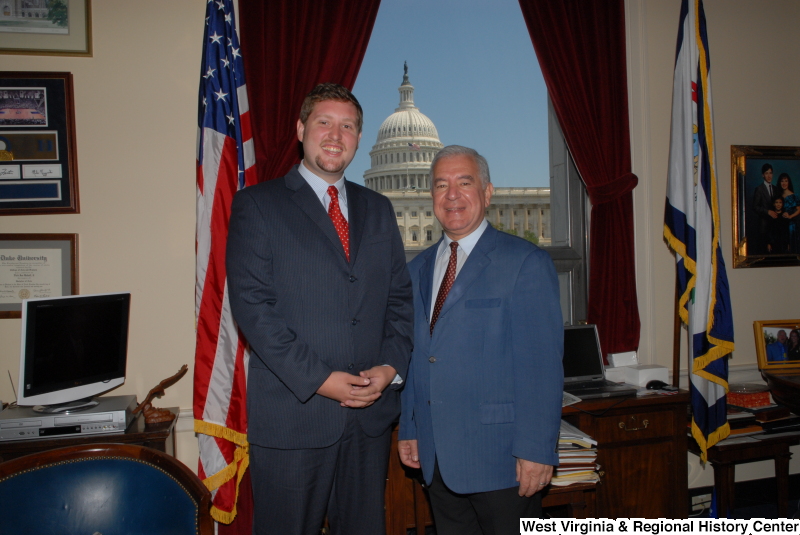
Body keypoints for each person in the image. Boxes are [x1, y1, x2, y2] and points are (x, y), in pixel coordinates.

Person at [226, 83, 414, 535]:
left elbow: (400, 301)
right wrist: (323, 381)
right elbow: (254, 309)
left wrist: (390, 368)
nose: (335, 134)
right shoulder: (258, 204)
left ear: (359, 138)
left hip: (368, 421)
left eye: (347, 126)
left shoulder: (379, 209)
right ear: (300, 130)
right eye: (324, 122)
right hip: (295, 417)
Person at [398, 145, 563, 534]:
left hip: (503, 459)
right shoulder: (416, 269)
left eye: (464, 182)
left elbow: (540, 367)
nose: (451, 195)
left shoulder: (525, 262)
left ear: (488, 193)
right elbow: (416, 355)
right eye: (441, 185)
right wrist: (410, 425)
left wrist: (537, 450)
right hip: (437, 456)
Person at [753, 163, 778, 254]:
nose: (769, 175)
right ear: (763, 175)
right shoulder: (759, 189)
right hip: (764, 226)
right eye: (766, 173)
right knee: (764, 252)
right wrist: (768, 212)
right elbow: (755, 207)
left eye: (770, 173)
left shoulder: (775, 189)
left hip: (775, 226)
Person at [777, 172, 800, 253]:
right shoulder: (777, 195)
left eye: (786, 181)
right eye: (782, 181)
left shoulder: (794, 195)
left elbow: (799, 209)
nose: (784, 183)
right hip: (781, 224)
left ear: (789, 182)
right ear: (779, 182)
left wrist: (790, 216)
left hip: (791, 225)